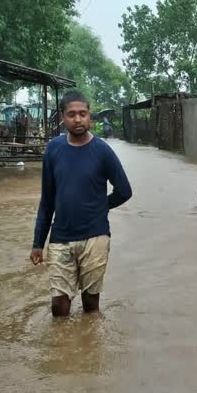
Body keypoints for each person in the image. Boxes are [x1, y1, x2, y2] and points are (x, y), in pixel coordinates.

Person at [30, 91, 132, 317]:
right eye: (71, 114)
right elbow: (47, 201)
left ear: (90, 118)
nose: (77, 119)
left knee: (90, 304)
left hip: (95, 236)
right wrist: (38, 242)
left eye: (83, 114)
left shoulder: (102, 150)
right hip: (60, 237)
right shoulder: (53, 150)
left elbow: (124, 191)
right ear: (63, 118)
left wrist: (99, 206)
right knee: (59, 307)